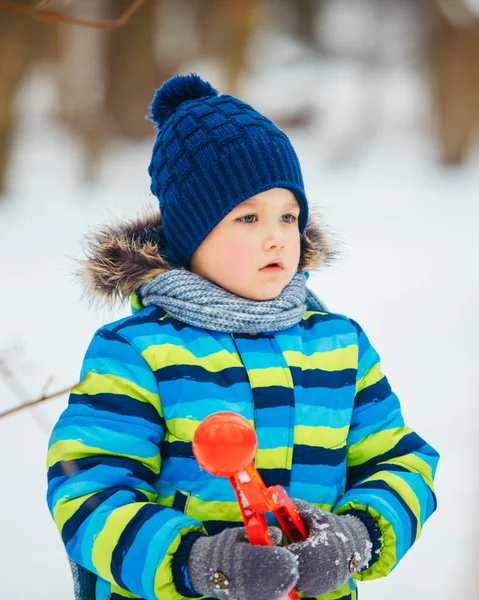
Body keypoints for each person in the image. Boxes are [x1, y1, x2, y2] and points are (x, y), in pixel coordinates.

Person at [46, 74, 439, 600]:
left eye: (288, 215)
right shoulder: (140, 352)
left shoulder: (340, 346)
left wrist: (356, 536)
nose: (277, 235)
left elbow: (402, 461)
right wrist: (198, 562)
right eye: (247, 217)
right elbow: (87, 489)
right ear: (191, 234)